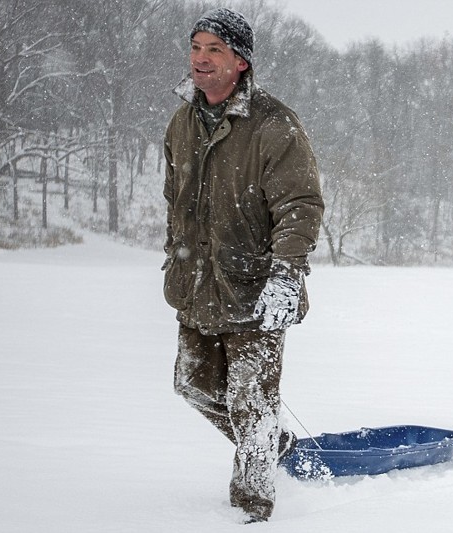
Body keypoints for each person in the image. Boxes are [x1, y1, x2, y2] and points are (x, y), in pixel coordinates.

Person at [161, 7, 324, 523]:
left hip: (255, 287)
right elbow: (175, 196)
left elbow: (300, 205)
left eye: (215, 50)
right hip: (197, 283)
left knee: (250, 400)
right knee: (192, 385)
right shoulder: (182, 120)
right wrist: (175, 255)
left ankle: (252, 505)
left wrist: (286, 274)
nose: (201, 60)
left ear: (242, 62)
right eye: (196, 49)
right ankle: (271, 443)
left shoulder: (275, 126)